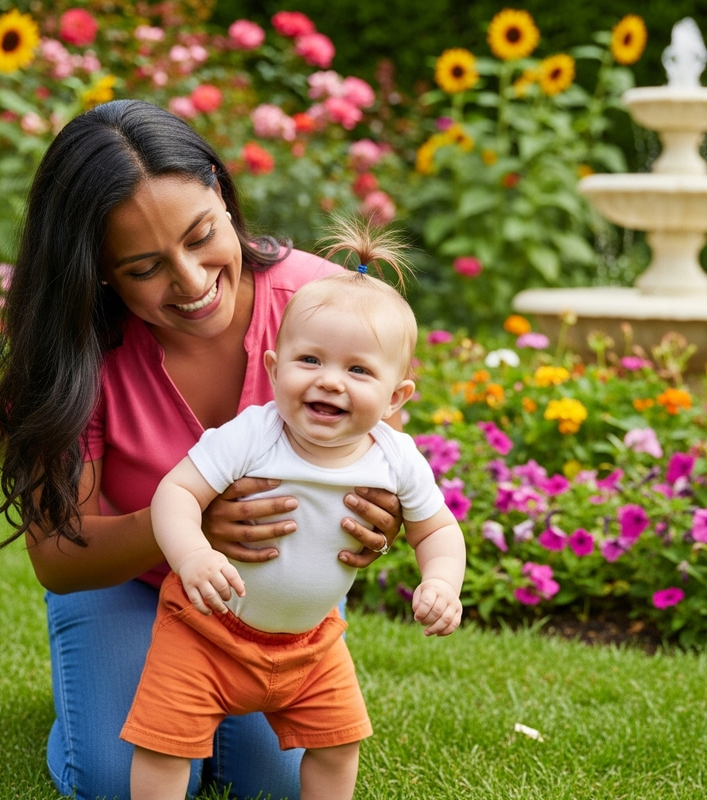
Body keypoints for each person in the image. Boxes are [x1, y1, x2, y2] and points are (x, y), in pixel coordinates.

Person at [0, 99, 405, 800]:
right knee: (119, 780)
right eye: (145, 266)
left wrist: (379, 515)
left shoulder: (316, 301)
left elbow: (380, 441)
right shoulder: (75, 351)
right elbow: (58, 557)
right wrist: (189, 525)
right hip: (128, 585)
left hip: (263, 598)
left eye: (201, 235)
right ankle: (101, 697)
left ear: (217, 185)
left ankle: (187, 714)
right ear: (99, 272)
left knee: (277, 781)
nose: (189, 279)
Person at [120, 224, 466, 800]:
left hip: (313, 641)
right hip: (204, 630)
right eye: (310, 360)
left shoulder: (396, 456)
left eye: (358, 371)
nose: (329, 380)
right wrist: (194, 553)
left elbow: (439, 530)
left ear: (397, 397)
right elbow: (176, 493)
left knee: (337, 746)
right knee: (164, 746)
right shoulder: (255, 433)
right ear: (276, 367)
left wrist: (441, 580)